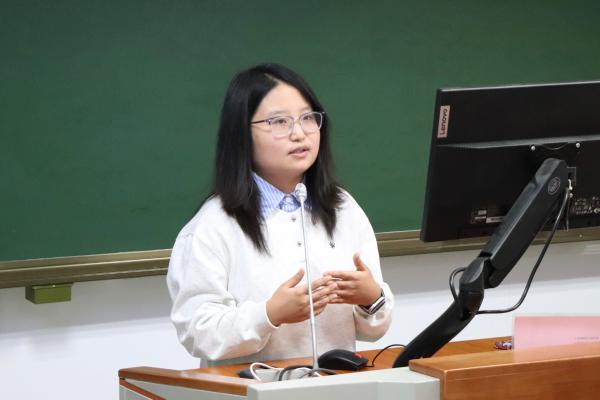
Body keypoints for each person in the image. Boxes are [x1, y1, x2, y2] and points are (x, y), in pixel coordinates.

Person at [167, 63, 394, 366]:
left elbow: (374, 329)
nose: (299, 134)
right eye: (279, 122)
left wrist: (371, 298)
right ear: (241, 134)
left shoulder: (343, 208)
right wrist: (269, 314)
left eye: (308, 118)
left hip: (335, 384)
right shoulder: (213, 225)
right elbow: (198, 333)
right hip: (252, 386)